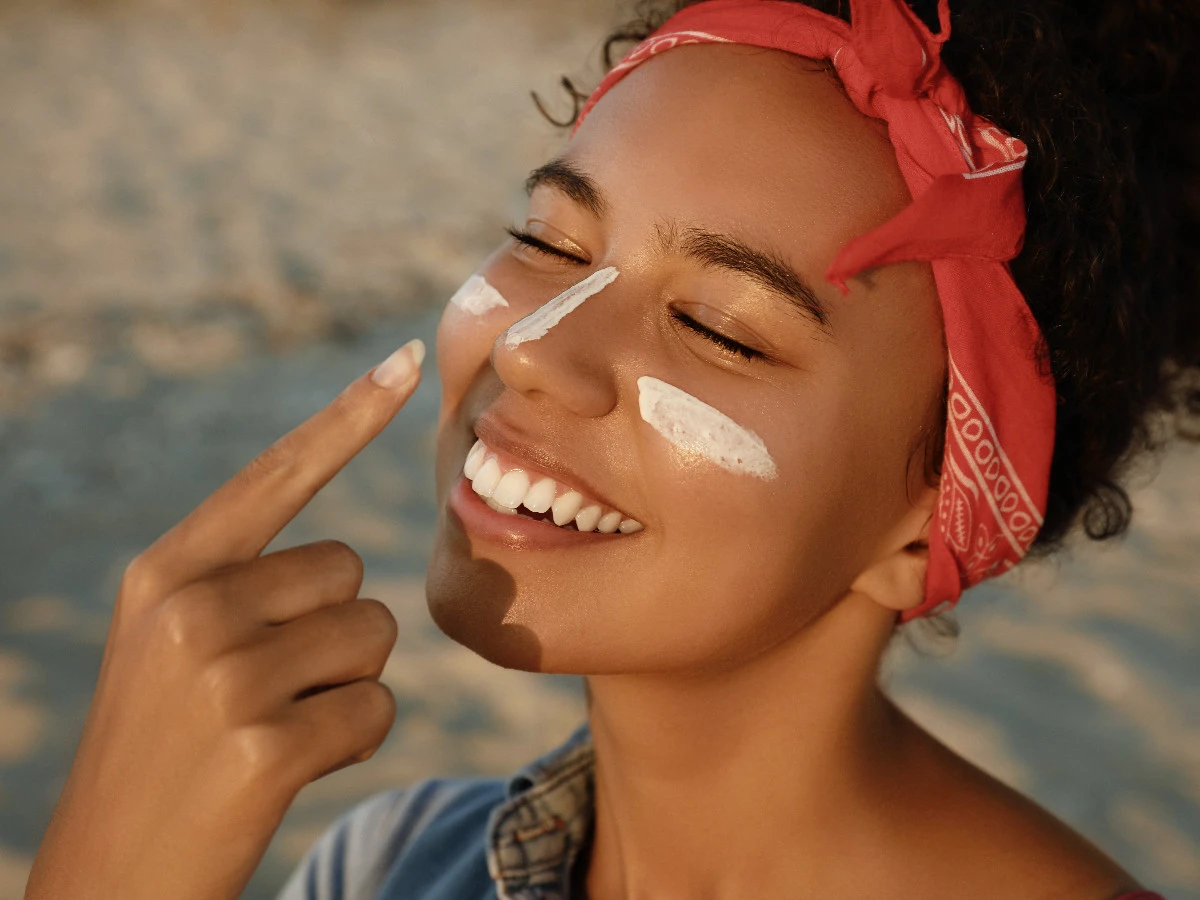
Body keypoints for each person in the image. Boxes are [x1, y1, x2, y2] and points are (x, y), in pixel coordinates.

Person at [25, 0, 1196, 898]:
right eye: (547, 241)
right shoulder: (384, 865)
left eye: (719, 328)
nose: (534, 351)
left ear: (927, 519)